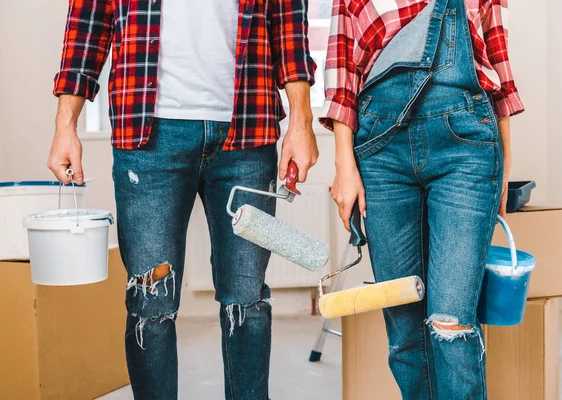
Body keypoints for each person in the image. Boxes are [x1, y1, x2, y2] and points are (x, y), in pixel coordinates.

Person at [48, 1, 318, 399]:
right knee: (149, 303)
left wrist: (301, 121)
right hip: (148, 134)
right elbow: (88, 24)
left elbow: (289, 24)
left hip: (247, 129)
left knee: (248, 302)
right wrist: (65, 124)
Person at [320, 0, 523, 398]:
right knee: (405, 333)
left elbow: (497, 58)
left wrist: (506, 162)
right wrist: (344, 163)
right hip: (380, 154)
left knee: (452, 325)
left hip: (464, 146)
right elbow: (342, 72)